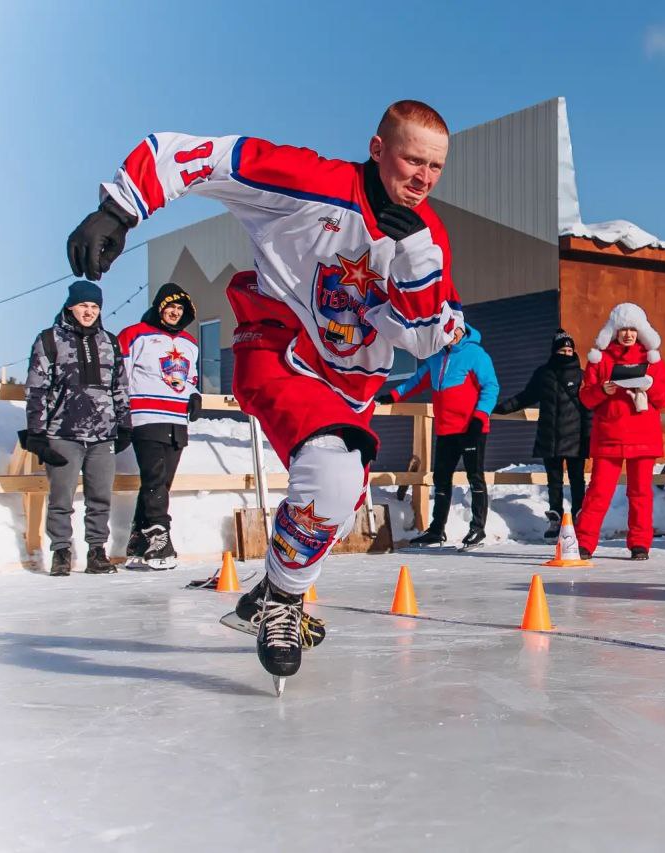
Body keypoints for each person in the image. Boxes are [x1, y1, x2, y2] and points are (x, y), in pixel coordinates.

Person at [67, 100, 463, 685]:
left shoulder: (426, 236)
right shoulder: (310, 182)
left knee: (338, 494)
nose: (422, 179)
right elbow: (201, 156)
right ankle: (284, 603)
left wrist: (416, 265)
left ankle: (271, 595)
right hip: (278, 350)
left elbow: (431, 336)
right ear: (378, 150)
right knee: (331, 473)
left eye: (434, 168)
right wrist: (120, 209)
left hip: (351, 387)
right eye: (411, 160)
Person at [23, 281, 132, 576]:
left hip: (103, 434)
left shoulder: (109, 341)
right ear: (71, 306)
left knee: (100, 497)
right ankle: (61, 551)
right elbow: (36, 390)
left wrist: (125, 424)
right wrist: (36, 433)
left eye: (95, 307)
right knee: (62, 497)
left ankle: (97, 552)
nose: (89, 312)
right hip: (63, 433)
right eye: (84, 305)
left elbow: (119, 386)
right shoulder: (49, 340)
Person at [386, 324, 498, 549]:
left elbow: (491, 387)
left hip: (471, 429)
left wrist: (479, 417)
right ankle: (437, 530)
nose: (451, 334)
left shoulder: (475, 354)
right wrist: (392, 396)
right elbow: (416, 381)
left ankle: (477, 529)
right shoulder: (436, 357)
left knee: (474, 478)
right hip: (446, 430)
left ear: (462, 329)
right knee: (441, 480)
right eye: (446, 330)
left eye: (454, 329)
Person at [575, 303, 665, 560]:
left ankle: (640, 544)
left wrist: (648, 386)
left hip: (643, 436)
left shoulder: (652, 359)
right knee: (598, 491)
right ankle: (583, 543)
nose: (627, 334)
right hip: (609, 436)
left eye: (632, 329)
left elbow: (664, 398)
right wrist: (601, 391)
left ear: (640, 331)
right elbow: (585, 398)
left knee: (640, 493)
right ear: (614, 331)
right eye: (622, 329)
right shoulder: (600, 359)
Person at [117, 283, 202, 569]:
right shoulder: (135, 335)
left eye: (180, 309)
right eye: (170, 307)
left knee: (162, 482)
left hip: (177, 420)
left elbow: (192, 378)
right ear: (159, 307)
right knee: (154, 478)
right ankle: (160, 536)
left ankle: (139, 540)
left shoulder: (190, 343)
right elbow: (120, 377)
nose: (175, 313)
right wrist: (121, 415)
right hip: (146, 416)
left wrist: (195, 396)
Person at [494, 329, 592, 538]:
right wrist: (500, 408)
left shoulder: (581, 376)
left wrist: (589, 436)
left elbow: (589, 408)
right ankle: (555, 519)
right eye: (562, 350)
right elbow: (526, 396)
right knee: (553, 480)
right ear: (554, 351)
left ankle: (578, 518)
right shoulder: (544, 374)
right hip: (551, 435)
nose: (566, 353)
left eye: (569, 350)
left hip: (576, 437)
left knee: (577, 480)